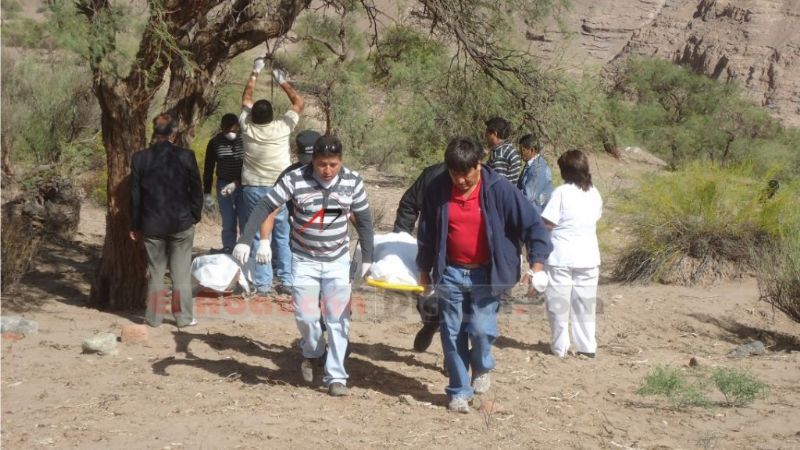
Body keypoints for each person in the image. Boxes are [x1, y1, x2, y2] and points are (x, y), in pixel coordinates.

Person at [416, 137, 551, 413]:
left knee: (480, 329)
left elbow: (533, 226)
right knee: (451, 333)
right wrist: (424, 268)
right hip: (451, 272)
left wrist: (536, 265)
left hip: (487, 274)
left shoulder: (500, 190)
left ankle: (481, 366)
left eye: (466, 174)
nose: (460, 181)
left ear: (479, 164)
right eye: (454, 174)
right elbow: (427, 232)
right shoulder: (438, 190)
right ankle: (458, 390)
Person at [233, 135, 374, 397]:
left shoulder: (353, 181)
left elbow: (363, 219)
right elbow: (266, 204)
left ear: (341, 161)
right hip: (304, 259)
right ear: (313, 162)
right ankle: (312, 352)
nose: (328, 170)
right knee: (307, 317)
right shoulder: (295, 178)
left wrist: (368, 256)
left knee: (338, 319)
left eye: (333, 164)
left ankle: (336, 377)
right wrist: (247, 240)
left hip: (337, 260)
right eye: (322, 164)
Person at [130, 113, 203, 328]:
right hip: (181, 223)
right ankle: (183, 318)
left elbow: (135, 196)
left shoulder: (139, 158)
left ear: (155, 132)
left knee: (156, 272)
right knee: (180, 272)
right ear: (174, 132)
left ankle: (153, 318)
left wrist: (135, 224)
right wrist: (194, 216)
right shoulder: (186, 156)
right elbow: (197, 191)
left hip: (152, 225)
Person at [238, 58, 304, 295]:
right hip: (279, 188)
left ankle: (263, 283)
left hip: (253, 187)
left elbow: (245, 99)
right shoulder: (281, 127)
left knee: (256, 234)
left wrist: (254, 73)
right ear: (272, 115)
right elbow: (298, 102)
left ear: (252, 114)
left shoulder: (247, 127)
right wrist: (282, 80)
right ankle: (286, 279)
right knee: (281, 233)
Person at [540, 149, 603, 359]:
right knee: (585, 305)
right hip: (588, 257)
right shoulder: (594, 192)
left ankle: (560, 347)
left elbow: (548, 222)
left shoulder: (561, 192)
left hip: (561, 257)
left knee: (558, 306)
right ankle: (587, 347)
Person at [392, 162, 448, 353]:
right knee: (428, 299)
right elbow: (409, 204)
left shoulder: (484, 179)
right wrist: (402, 239)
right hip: (432, 247)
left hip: (466, 254)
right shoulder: (432, 175)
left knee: (460, 307)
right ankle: (431, 323)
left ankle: (453, 359)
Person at [203, 113, 244, 253]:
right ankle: (228, 247)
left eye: (233, 130)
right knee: (228, 220)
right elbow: (208, 169)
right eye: (227, 130)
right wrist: (207, 193)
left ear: (238, 127)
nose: (230, 133)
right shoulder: (214, 142)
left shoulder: (245, 141)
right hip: (223, 185)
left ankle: (245, 248)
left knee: (244, 219)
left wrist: (240, 182)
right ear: (221, 128)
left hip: (243, 186)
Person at [517, 133, 553, 213]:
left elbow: (528, 196)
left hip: (536, 215)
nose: (520, 153)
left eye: (522, 150)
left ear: (532, 150)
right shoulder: (532, 164)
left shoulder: (539, 168)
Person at [484, 117, 522, 184]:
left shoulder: (500, 155)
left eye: (487, 133)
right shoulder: (509, 148)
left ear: (495, 134)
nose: (485, 136)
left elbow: (498, 184)